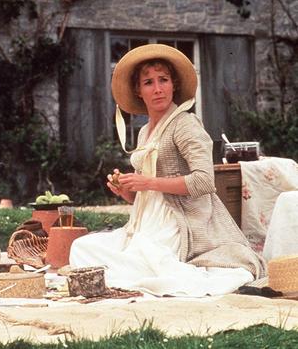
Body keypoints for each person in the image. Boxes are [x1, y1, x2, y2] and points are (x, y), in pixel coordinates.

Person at [69, 44, 265, 297]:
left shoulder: (185, 124)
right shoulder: (143, 132)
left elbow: (204, 181)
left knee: (147, 257)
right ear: (139, 91)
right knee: (82, 247)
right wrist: (126, 191)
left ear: (174, 85)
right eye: (148, 82)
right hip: (146, 223)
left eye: (163, 80)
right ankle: (141, 268)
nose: (158, 88)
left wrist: (148, 182)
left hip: (179, 223)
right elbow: (147, 196)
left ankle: (161, 271)